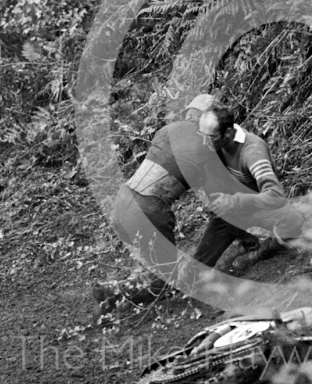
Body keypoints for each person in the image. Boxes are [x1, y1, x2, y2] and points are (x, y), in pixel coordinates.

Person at [95, 94, 234, 311]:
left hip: (122, 202)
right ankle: (113, 293)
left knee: (157, 267)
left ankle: (120, 292)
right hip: (148, 210)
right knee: (170, 281)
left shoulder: (166, 131)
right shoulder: (206, 144)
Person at [193, 104, 303, 269]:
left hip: (257, 205)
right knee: (199, 263)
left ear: (228, 133)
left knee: (292, 221)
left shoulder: (252, 152)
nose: (204, 141)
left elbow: (275, 195)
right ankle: (249, 243)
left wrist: (236, 201)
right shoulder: (214, 147)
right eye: (201, 135)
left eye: (210, 137)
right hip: (230, 210)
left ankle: (260, 252)